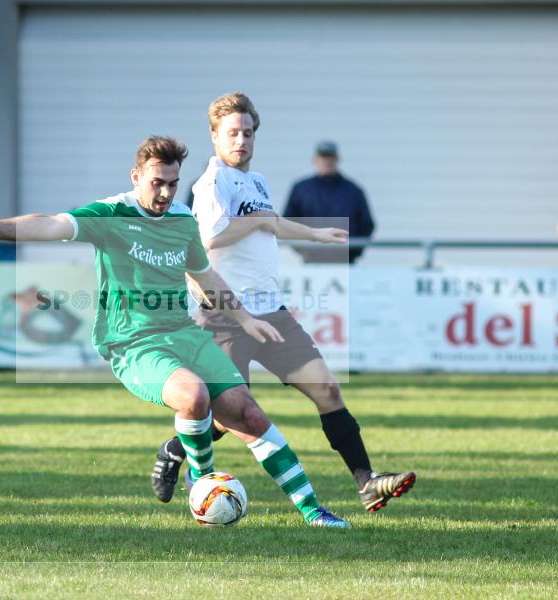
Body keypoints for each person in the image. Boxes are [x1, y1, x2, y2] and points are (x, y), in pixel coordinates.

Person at [0, 135, 349, 527]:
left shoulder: (182, 219)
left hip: (184, 333)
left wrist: (245, 319)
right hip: (133, 343)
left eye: (173, 184)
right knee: (193, 396)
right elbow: (49, 224)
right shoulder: (112, 214)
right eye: (157, 183)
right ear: (135, 176)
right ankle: (202, 480)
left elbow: (205, 276)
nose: (165, 193)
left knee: (248, 413)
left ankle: (314, 512)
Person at [150, 94, 415, 514]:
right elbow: (209, 238)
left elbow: (270, 223)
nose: (241, 140)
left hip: (271, 313)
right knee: (227, 416)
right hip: (224, 315)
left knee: (327, 389)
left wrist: (315, 234)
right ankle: (174, 449)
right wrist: (256, 221)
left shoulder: (256, 181)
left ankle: (367, 482)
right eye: (232, 133)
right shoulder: (212, 182)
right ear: (215, 136)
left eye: (248, 133)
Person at [284, 140, 375, 264]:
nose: (327, 161)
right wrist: (302, 249)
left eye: (331, 157)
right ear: (315, 160)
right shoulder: (301, 189)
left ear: (338, 160)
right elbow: (288, 222)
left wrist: (353, 251)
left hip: (345, 262)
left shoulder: (354, 191)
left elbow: (367, 225)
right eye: (323, 157)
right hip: (312, 261)